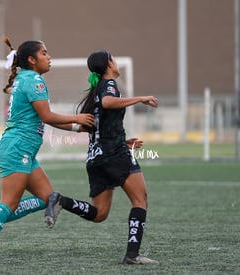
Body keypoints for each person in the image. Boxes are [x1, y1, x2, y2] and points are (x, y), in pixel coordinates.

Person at [0, 36, 94, 266]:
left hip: (23, 149)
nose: (49, 56)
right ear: (32, 60)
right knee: (9, 203)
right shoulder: (34, 80)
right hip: (18, 148)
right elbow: (47, 116)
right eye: (45, 53)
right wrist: (76, 118)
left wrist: (78, 128)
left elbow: (47, 118)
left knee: (48, 198)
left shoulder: (26, 78)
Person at [45, 50, 159, 265]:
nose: (116, 63)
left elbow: (97, 125)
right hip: (114, 155)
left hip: (96, 157)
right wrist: (140, 98)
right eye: (114, 59)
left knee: (99, 214)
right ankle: (132, 255)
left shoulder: (96, 90)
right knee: (140, 200)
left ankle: (62, 201)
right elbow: (108, 103)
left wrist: (120, 140)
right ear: (108, 63)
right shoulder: (108, 85)